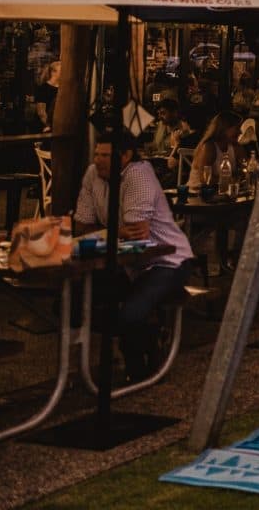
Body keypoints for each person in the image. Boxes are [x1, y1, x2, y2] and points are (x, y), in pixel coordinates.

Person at [73, 138, 194, 382]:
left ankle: (139, 371)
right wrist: (116, 232)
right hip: (127, 265)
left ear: (126, 155)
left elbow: (137, 234)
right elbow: (80, 227)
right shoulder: (92, 174)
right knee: (72, 305)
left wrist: (103, 232)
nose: (98, 161)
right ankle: (148, 335)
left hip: (166, 260)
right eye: (96, 154)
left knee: (130, 314)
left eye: (105, 155)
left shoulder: (139, 174)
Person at [188, 110, 244, 190]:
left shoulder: (236, 147)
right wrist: (232, 180)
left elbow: (244, 171)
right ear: (224, 128)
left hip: (222, 192)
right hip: (198, 194)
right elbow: (204, 178)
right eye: (237, 128)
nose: (240, 132)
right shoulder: (209, 147)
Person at [34, 59, 61, 131]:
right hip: (44, 127)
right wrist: (49, 126)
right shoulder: (43, 89)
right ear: (53, 72)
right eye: (62, 71)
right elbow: (41, 112)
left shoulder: (63, 89)